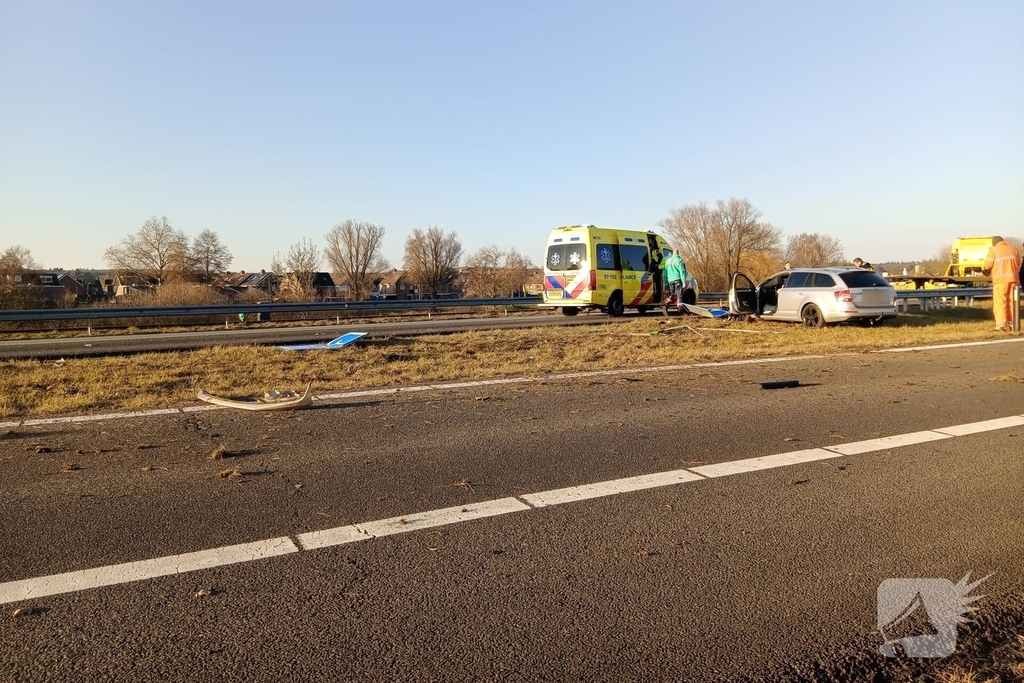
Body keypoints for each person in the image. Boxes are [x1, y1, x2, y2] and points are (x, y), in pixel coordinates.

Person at [982, 236, 1022, 331]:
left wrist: (985, 270)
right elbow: (1018, 263)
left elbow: (987, 265)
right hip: (1014, 281)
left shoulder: (994, 250)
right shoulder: (1013, 249)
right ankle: (1013, 324)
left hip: (1000, 282)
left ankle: (1001, 325)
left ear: (994, 243)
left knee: (1001, 302)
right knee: (1012, 302)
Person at [662, 248, 688, 315]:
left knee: (671, 293)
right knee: (679, 294)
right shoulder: (679, 260)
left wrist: (665, 280)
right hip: (677, 279)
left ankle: (666, 305)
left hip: (670, 280)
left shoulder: (667, 261)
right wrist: (683, 281)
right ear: (678, 253)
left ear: (672, 253)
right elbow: (682, 272)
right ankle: (679, 311)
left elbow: (665, 271)